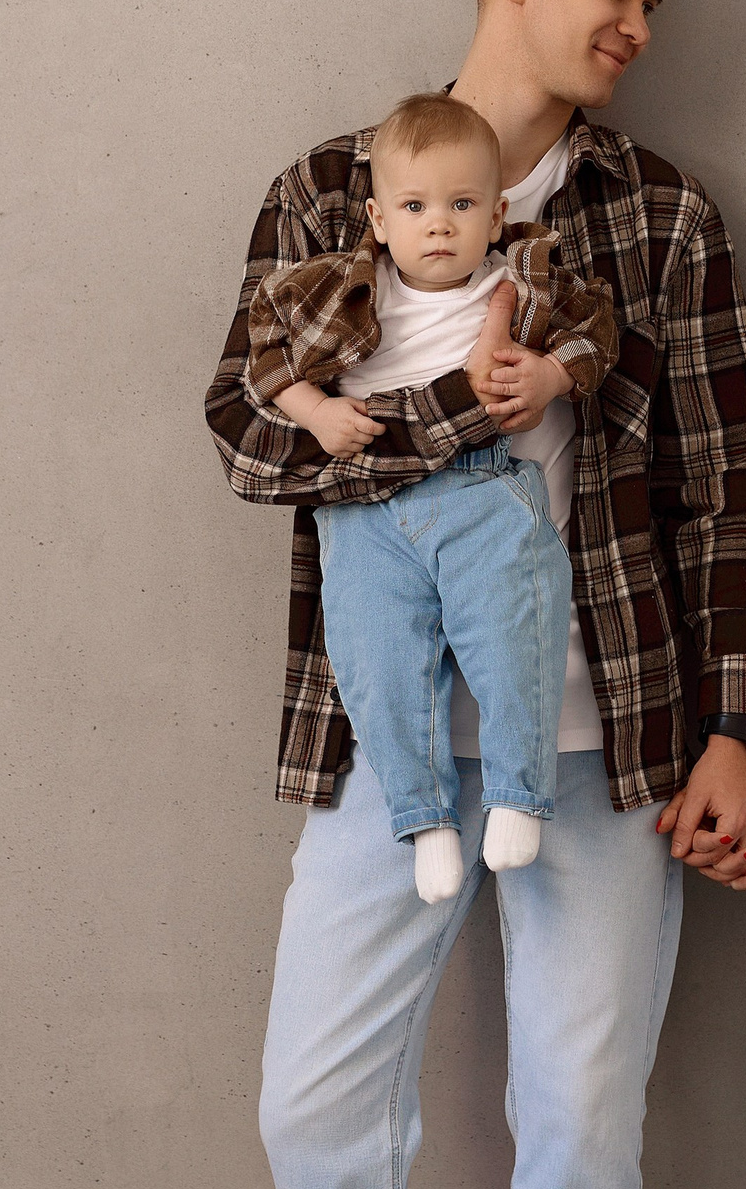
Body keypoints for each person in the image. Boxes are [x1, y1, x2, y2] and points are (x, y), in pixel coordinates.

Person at [204, 0, 746, 1189]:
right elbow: (249, 439)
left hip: (607, 750)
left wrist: (735, 727)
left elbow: (730, 489)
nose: (639, 24)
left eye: (658, 3)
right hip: (378, 749)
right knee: (315, 1117)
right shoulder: (327, 190)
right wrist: (467, 405)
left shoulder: (661, 214)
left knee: (578, 1128)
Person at [250, 87, 619, 896]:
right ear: (379, 219)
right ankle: (424, 818)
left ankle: (519, 795)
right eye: (416, 206)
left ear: (497, 214)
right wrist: (318, 413)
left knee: (515, 636)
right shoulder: (343, 289)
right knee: (376, 664)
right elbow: (265, 362)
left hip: (482, 492)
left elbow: (599, 334)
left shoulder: (516, 281)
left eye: (462, 204)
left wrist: (551, 375)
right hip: (366, 516)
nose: (440, 225)